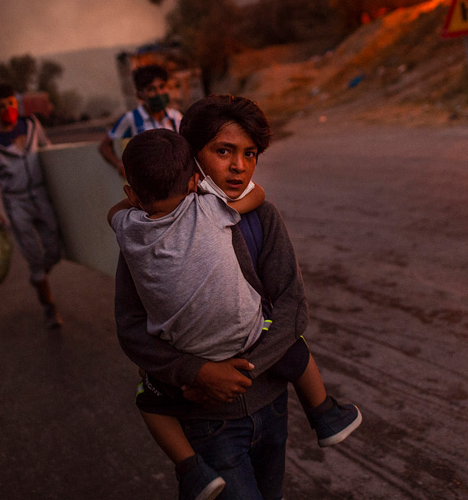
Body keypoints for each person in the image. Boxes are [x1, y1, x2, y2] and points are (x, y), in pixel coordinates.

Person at [116, 95, 348, 500]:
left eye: (250, 153)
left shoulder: (262, 219)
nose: (239, 166)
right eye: (223, 151)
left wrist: (238, 373)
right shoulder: (148, 240)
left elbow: (292, 309)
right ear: (191, 159)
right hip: (206, 422)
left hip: (272, 404)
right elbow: (133, 330)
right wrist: (196, 373)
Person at [0, 83, 62, 327]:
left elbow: (48, 152)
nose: (8, 109)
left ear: (17, 103)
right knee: (32, 253)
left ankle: (38, 276)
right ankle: (49, 307)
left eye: (11, 103)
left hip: (41, 194)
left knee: (55, 246)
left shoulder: (32, 124)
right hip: (16, 201)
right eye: (1, 106)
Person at [98, 64, 183, 177]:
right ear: (140, 94)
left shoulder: (175, 117)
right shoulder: (131, 119)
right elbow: (104, 146)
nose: (158, 93)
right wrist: (119, 164)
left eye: (162, 87)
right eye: (151, 89)